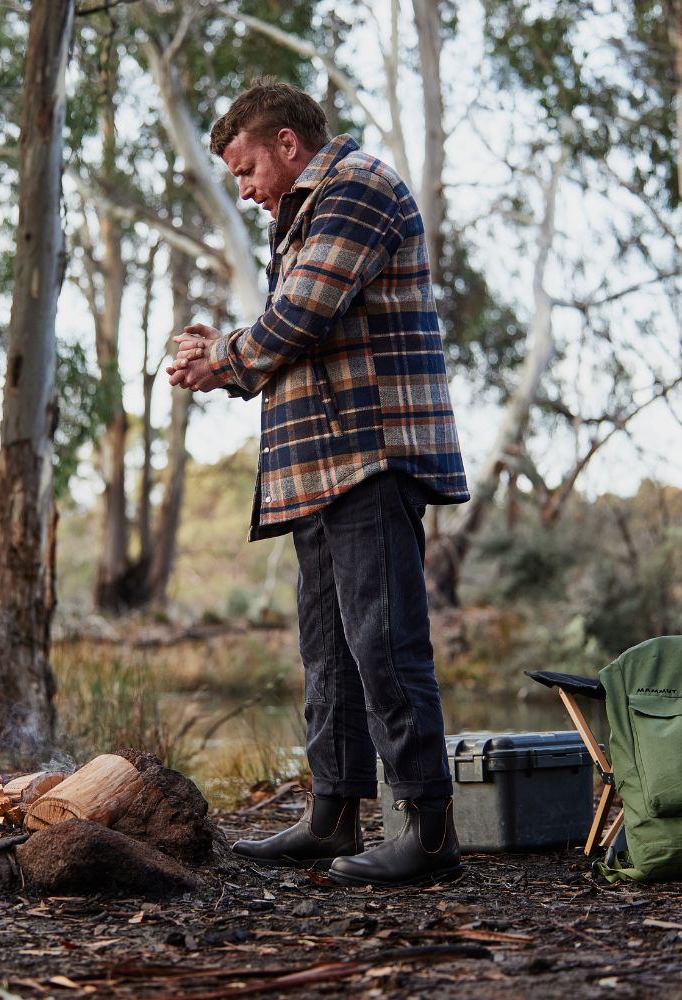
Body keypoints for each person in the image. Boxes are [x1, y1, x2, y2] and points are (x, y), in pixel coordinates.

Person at [166, 79, 469, 887]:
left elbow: (301, 316)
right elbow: (292, 331)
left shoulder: (355, 187)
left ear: (287, 146)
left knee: (385, 642)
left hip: (369, 453)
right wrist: (224, 351)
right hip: (315, 467)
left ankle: (430, 832)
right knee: (328, 650)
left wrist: (220, 358)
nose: (245, 188)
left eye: (247, 169)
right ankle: (333, 817)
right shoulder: (305, 213)